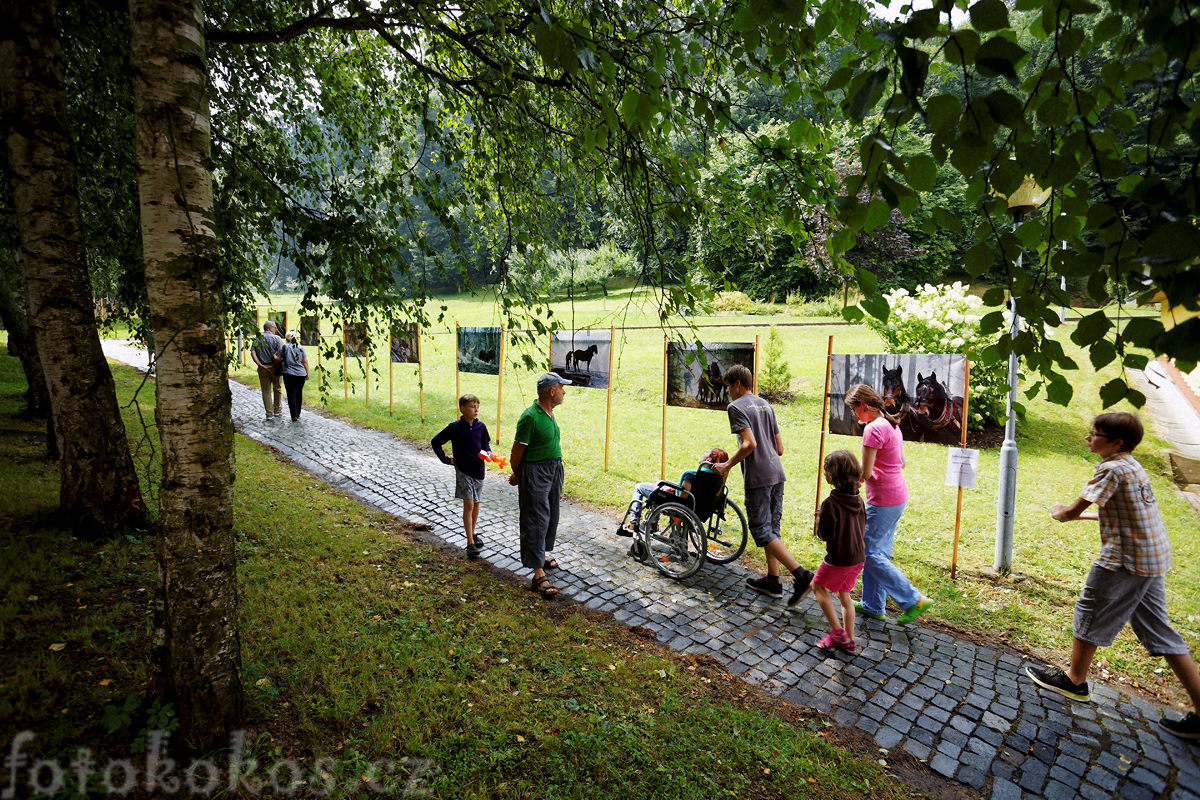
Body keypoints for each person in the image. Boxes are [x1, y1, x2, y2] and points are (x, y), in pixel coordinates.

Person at [1026, 412, 1200, 739]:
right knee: (1161, 633)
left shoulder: (1110, 469)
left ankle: (1074, 681)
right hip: (1152, 557)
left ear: (1117, 442)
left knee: (1089, 610)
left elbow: (1068, 512)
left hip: (1126, 560)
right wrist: (1085, 517)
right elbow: (1129, 512)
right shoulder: (1132, 465)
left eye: (1095, 434)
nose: (1088, 438)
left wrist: (1060, 512)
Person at [711, 364, 813, 606]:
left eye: (728, 387)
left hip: (758, 478)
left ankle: (802, 575)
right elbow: (779, 448)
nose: (727, 392)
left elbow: (749, 444)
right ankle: (773, 581)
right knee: (772, 529)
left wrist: (727, 466)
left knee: (761, 530)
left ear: (737, 384)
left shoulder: (735, 407)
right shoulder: (765, 404)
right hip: (777, 474)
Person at [845, 383, 932, 625]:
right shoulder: (892, 424)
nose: (854, 415)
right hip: (897, 496)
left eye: (854, 409)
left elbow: (867, 472)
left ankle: (914, 599)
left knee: (868, 552)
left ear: (864, 406)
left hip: (883, 500)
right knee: (877, 551)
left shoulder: (873, 429)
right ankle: (874, 605)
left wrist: (852, 474)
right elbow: (901, 462)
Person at [509, 373, 571, 597]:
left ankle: (541, 554)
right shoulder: (530, 417)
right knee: (536, 519)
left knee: (551, 515)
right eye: (562, 388)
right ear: (551, 391)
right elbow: (516, 453)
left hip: (554, 469)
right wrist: (519, 475)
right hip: (536, 472)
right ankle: (538, 575)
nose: (565, 392)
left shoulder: (549, 413)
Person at [811, 450, 867, 652]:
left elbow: (825, 534)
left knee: (817, 586)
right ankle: (849, 641)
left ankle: (837, 633)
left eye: (827, 471)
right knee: (845, 595)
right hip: (858, 557)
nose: (824, 474)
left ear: (835, 476)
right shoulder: (858, 499)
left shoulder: (830, 504)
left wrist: (818, 521)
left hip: (839, 559)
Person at [432, 394, 492, 560]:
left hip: (479, 470)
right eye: (472, 407)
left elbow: (485, 443)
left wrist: (488, 452)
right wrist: (446, 459)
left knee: (477, 503)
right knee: (469, 503)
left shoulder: (481, 426)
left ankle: (472, 532)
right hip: (463, 470)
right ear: (463, 408)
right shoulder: (455, 427)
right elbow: (436, 441)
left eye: (477, 407)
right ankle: (470, 543)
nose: (476, 410)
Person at [623, 446, 729, 533]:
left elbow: (683, 497)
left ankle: (634, 523)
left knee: (640, 487)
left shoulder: (691, 475)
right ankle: (653, 523)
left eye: (707, 453)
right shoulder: (718, 479)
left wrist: (672, 491)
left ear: (709, 460)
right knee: (659, 484)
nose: (704, 453)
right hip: (700, 508)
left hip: (681, 505)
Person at [250, 320, 284, 421]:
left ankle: (269, 414)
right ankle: (277, 411)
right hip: (276, 368)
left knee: (266, 391)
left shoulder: (257, 339)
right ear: (270, 328)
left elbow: (253, 353)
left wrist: (260, 365)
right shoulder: (277, 338)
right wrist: (274, 364)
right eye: (274, 328)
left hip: (263, 369)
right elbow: (281, 353)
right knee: (277, 389)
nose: (275, 330)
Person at [280, 330, 309, 421]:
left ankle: (294, 415)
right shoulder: (301, 348)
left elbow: (279, 358)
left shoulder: (284, 347)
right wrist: (307, 373)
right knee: (299, 393)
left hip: (289, 374)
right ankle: (298, 412)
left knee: (291, 394)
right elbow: (305, 361)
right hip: (301, 374)